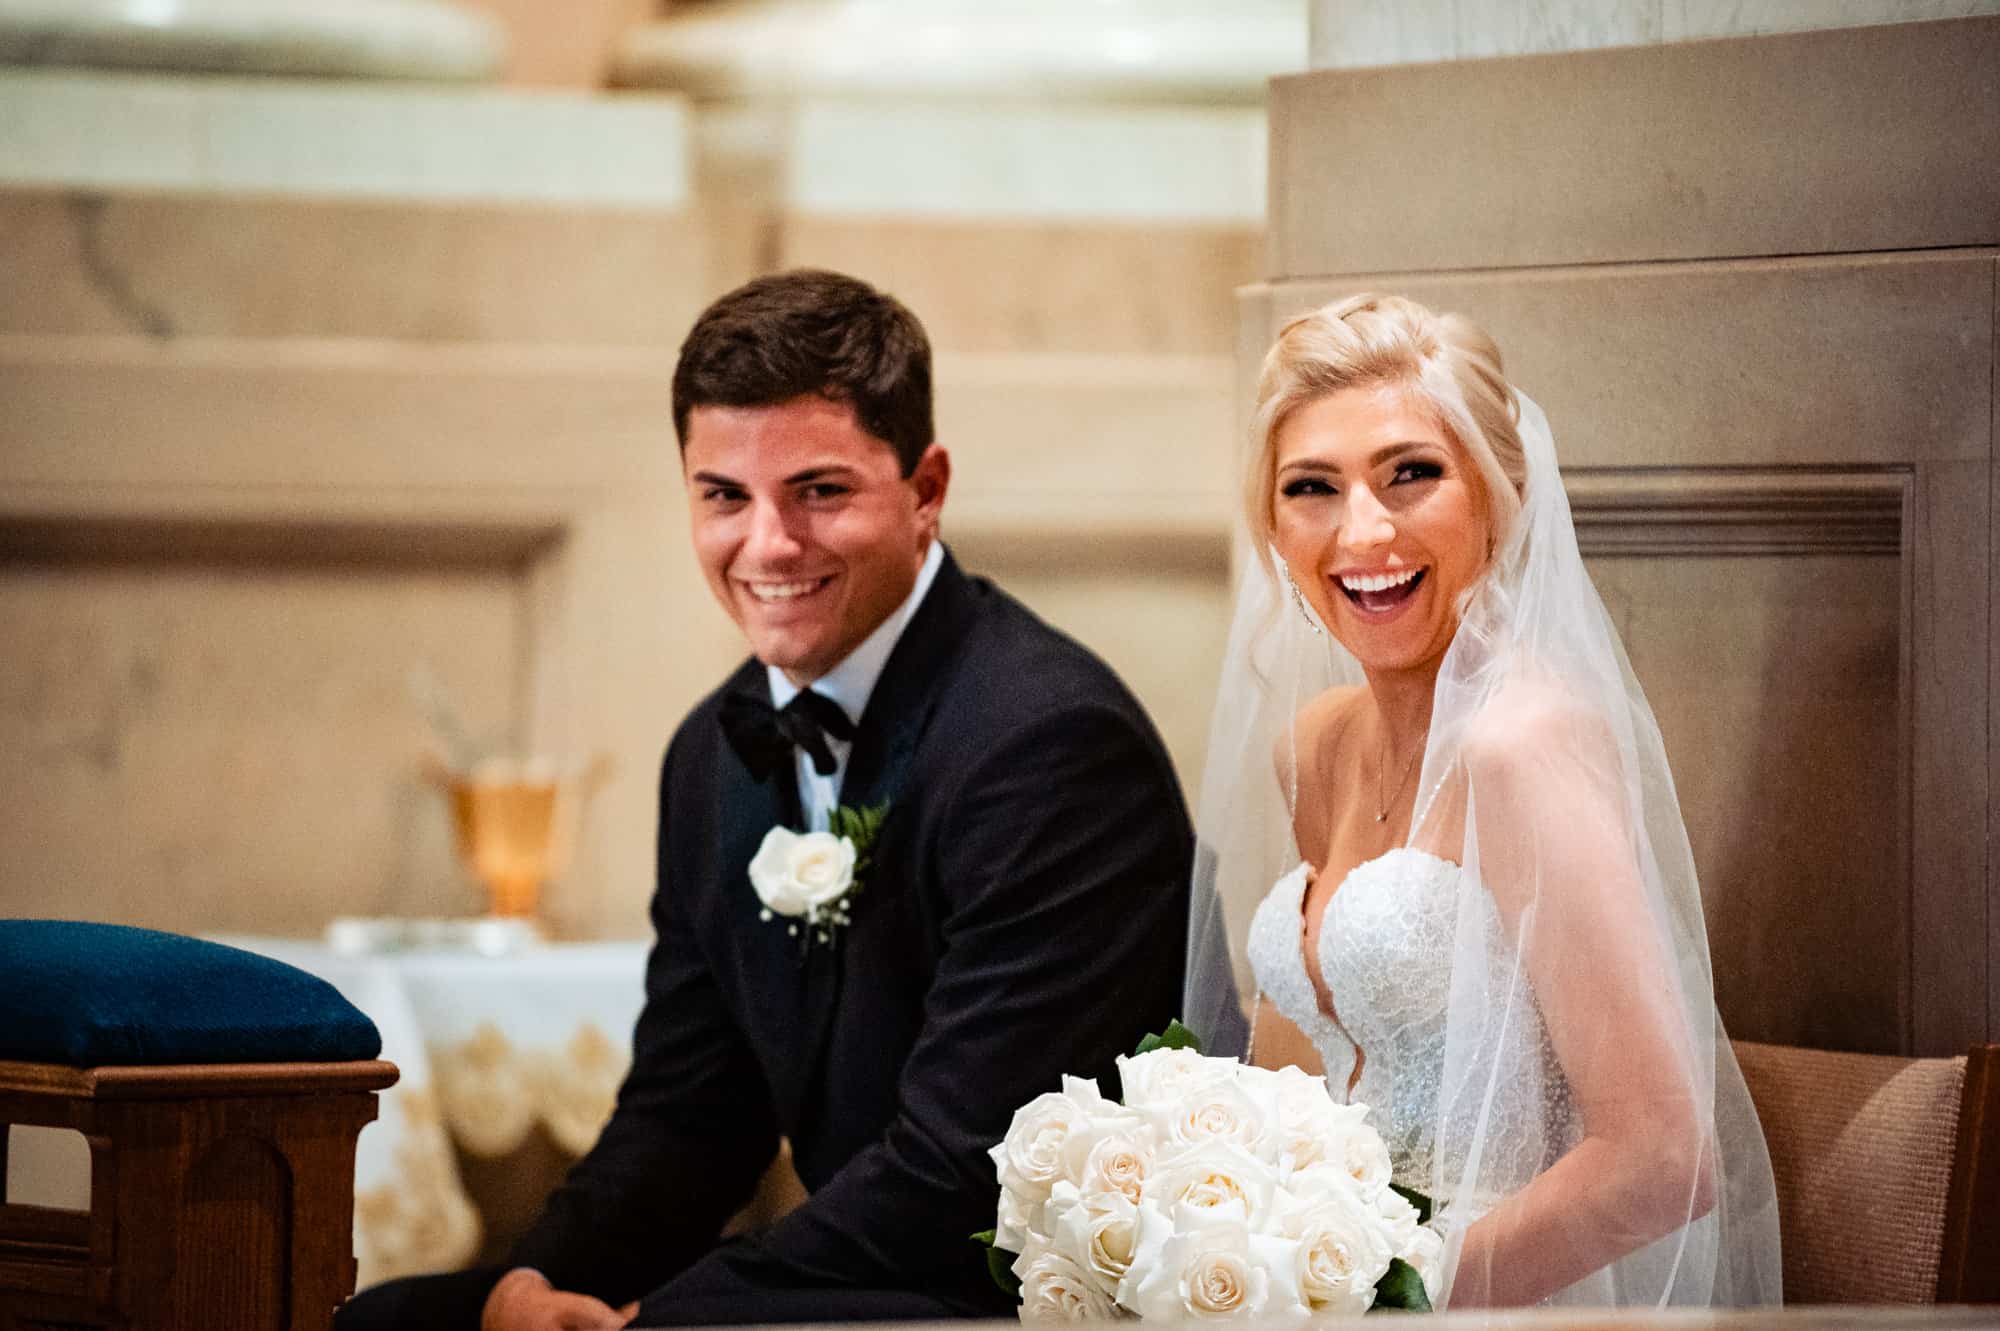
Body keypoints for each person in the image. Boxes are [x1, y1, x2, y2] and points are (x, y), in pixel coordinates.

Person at [338, 269, 1193, 1330]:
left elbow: (965, 1164)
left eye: (819, 491)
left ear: (925, 488)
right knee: (383, 1323)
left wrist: (655, 1319)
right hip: (843, 1267)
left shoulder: (1049, 746)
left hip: (990, 1282)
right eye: (723, 496)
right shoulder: (712, 750)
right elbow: (688, 1112)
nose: (767, 545)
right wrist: (540, 1286)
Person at [1182, 293, 1782, 1307]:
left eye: (1410, 473)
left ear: (1500, 487)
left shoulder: (1522, 744)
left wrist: (1386, 1298)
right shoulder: (1313, 747)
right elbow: (1305, 1079)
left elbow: (1662, 1160)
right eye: (1311, 487)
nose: (1361, 529)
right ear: (1273, 526)